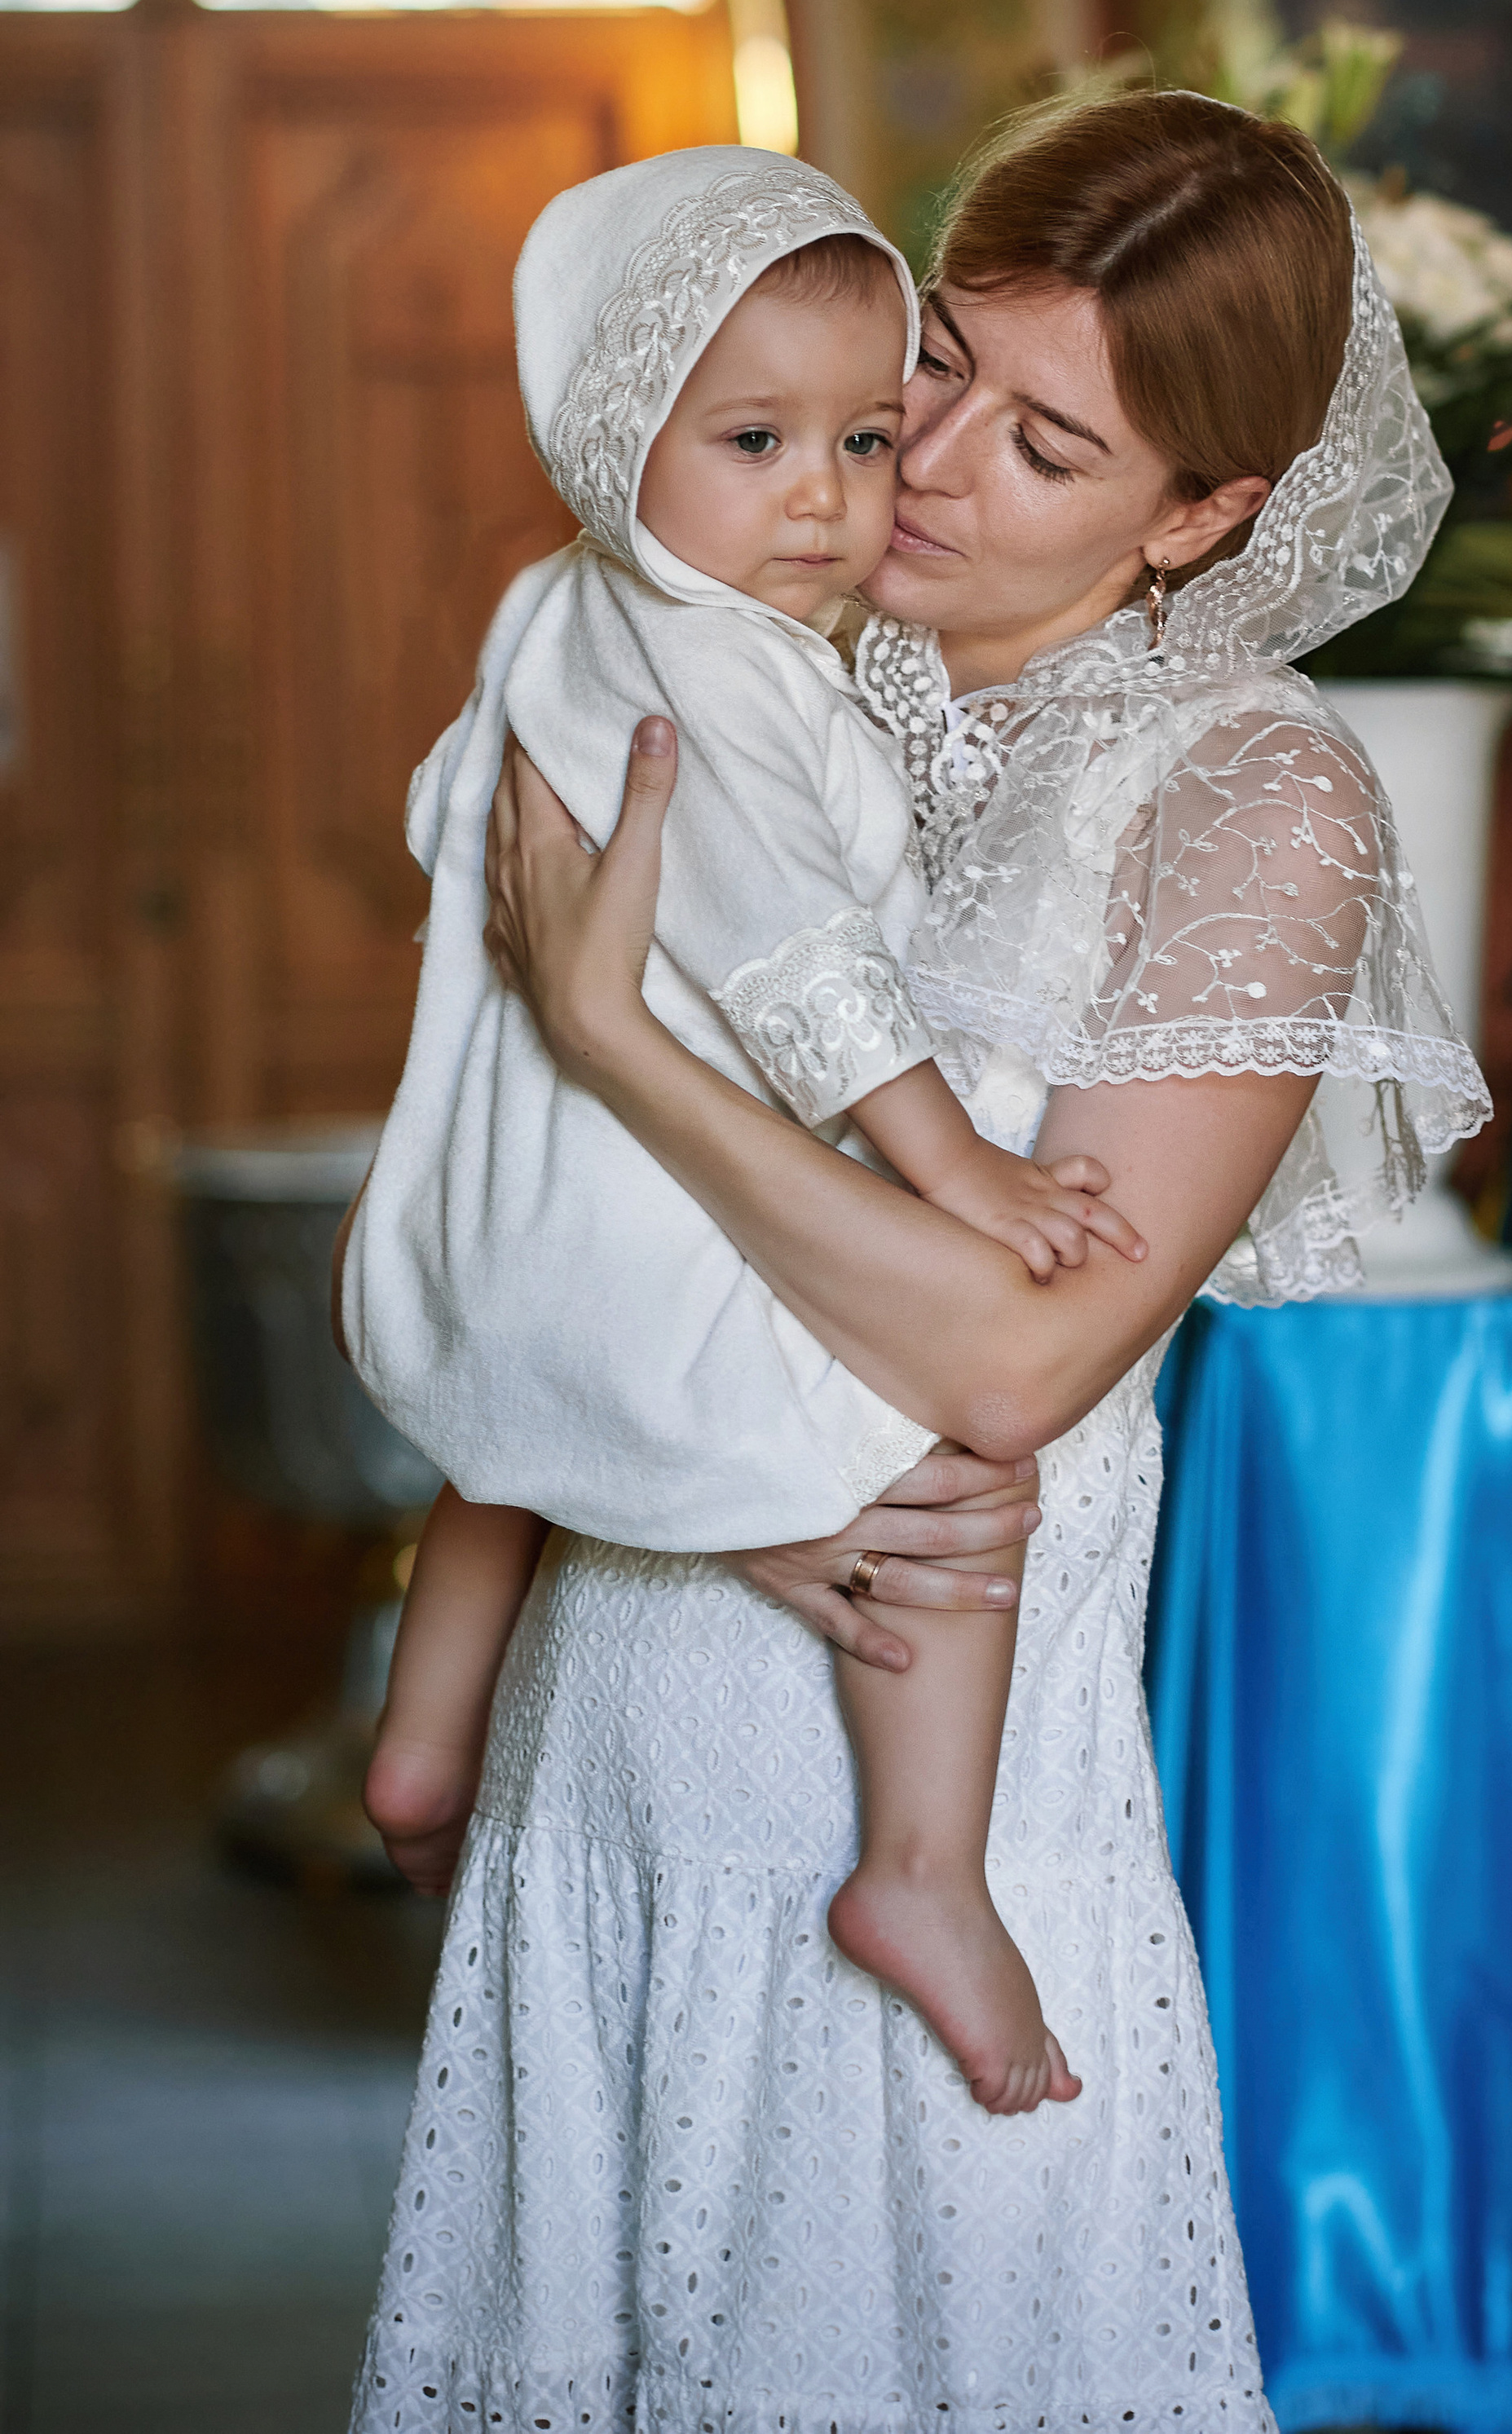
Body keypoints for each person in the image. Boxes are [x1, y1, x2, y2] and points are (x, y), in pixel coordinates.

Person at [350, 89, 1490, 2434]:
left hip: (942, 1791)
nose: (928, 466)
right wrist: (709, 1476)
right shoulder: (720, 640)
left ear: (1206, 513)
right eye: (936, 365)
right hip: (632, 1688)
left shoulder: (1254, 796)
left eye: (1046, 442)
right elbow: (508, 1206)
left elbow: (1018, 1355)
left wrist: (622, 1042)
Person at [346, 148, 1143, 2117]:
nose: (826, 496)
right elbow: (793, 957)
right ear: (620, 433)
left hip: (528, 1186)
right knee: (947, 1430)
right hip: (642, 1189)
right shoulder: (694, 668)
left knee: (503, 1446)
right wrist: (954, 1168)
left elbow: (452, 820)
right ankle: (922, 1869)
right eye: (756, 438)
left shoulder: (571, 611)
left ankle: (421, 1741)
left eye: (867, 438)